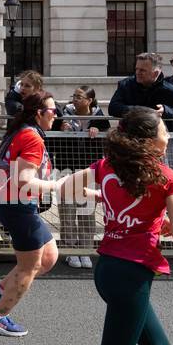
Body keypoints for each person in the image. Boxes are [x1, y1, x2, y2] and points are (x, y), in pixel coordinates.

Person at [65, 108, 173, 345]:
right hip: (130, 276)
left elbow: (69, 186)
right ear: (148, 141)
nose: (168, 136)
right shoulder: (170, 178)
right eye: (165, 131)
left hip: (109, 270)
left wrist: (107, 198)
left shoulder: (108, 165)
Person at [0, 91, 62, 337]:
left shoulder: (19, 131)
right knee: (31, 265)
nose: (56, 115)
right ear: (39, 113)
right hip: (17, 206)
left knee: (49, 256)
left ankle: (1, 289)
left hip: (14, 204)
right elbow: (23, 180)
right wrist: (57, 184)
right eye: (52, 111)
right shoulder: (32, 137)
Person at [50, 85, 106, 268]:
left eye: (79, 97)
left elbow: (105, 144)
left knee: (87, 211)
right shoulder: (63, 115)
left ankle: (85, 250)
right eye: (74, 96)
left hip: (89, 171)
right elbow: (52, 139)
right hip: (67, 168)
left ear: (89, 101)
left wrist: (98, 133)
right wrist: (60, 128)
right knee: (67, 211)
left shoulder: (100, 118)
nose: (75, 99)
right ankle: (70, 250)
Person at [107, 52, 173, 120]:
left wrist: (166, 110)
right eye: (136, 69)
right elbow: (113, 108)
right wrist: (141, 111)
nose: (137, 73)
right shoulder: (125, 85)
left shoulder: (172, 90)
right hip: (131, 136)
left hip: (158, 136)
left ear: (155, 73)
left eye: (142, 70)